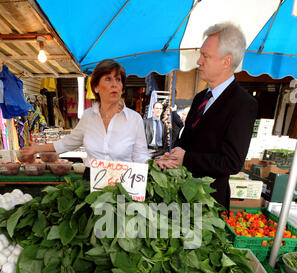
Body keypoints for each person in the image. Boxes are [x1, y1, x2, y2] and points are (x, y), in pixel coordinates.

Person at [157, 22, 258, 211]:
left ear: (226, 61)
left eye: (206, 56)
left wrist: (186, 158)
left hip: (208, 204)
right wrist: (172, 157)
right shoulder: (200, 98)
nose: (199, 61)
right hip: (182, 197)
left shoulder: (243, 104)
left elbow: (232, 162)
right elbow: (187, 142)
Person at [21, 59, 149, 179]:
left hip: (124, 180)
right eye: (108, 79)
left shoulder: (134, 119)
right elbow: (68, 143)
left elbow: (141, 156)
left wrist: (158, 165)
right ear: (96, 88)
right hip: (92, 180)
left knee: (120, 204)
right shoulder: (88, 116)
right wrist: (37, 148)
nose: (115, 85)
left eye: (118, 80)